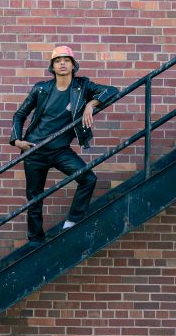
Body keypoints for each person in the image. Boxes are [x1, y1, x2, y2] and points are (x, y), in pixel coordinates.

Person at [10, 46, 118, 245]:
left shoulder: (82, 86)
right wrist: (17, 141)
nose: (62, 63)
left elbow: (112, 91)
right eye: (58, 60)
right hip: (34, 150)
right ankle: (35, 240)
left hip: (60, 150)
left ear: (73, 65)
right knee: (34, 198)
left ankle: (72, 221)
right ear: (52, 66)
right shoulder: (41, 89)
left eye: (66, 60)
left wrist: (91, 104)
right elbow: (19, 115)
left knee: (88, 178)